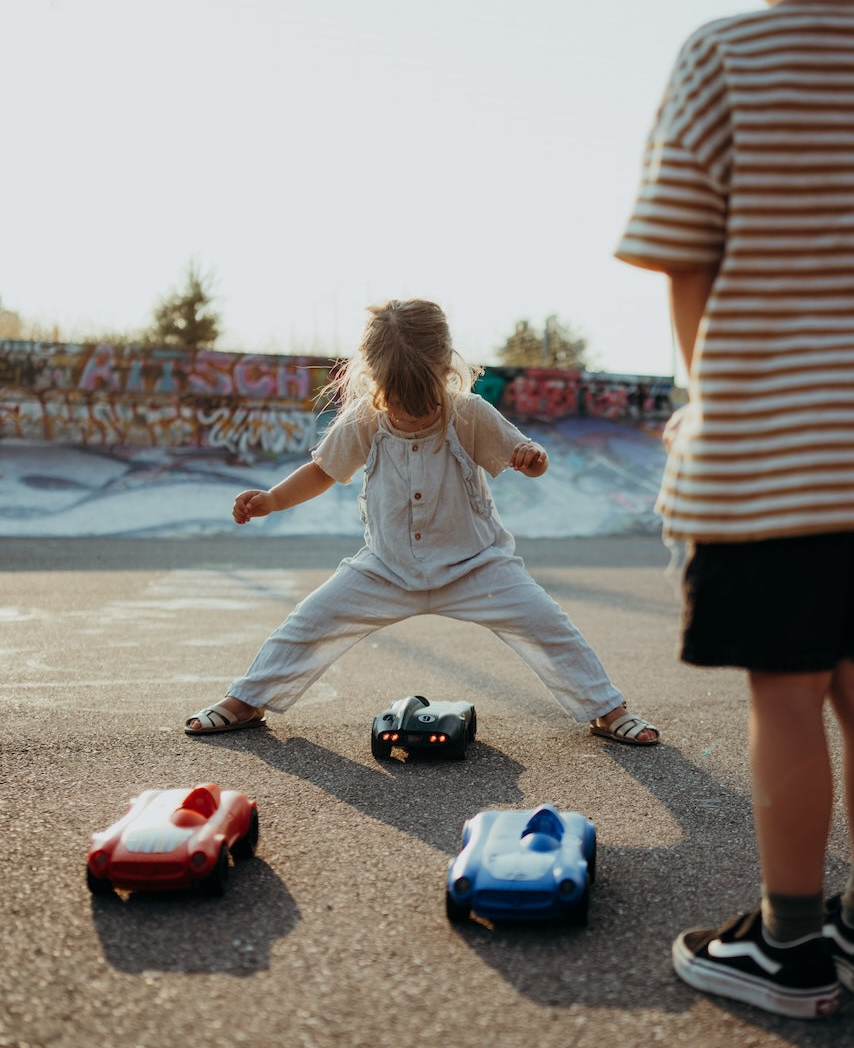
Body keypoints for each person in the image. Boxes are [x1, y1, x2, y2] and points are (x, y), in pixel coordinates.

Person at [616, 0, 854, 1019]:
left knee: (786, 694)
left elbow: (683, 256)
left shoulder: (723, 53)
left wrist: (714, 395)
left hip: (776, 457)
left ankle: (789, 945)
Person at [185, 299, 659, 748]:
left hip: (478, 566)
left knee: (548, 625)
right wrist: (271, 499)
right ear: (372, 376)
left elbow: (527, 456)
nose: (408, 409)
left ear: (445, 367)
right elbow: (322, 471)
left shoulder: (468, 412)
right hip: (386, 568)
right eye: (396, 396)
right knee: (308, 623)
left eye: (421, 396)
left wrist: (533, 459)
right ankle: (247, 699)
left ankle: (606, 708)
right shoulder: (365, 419)